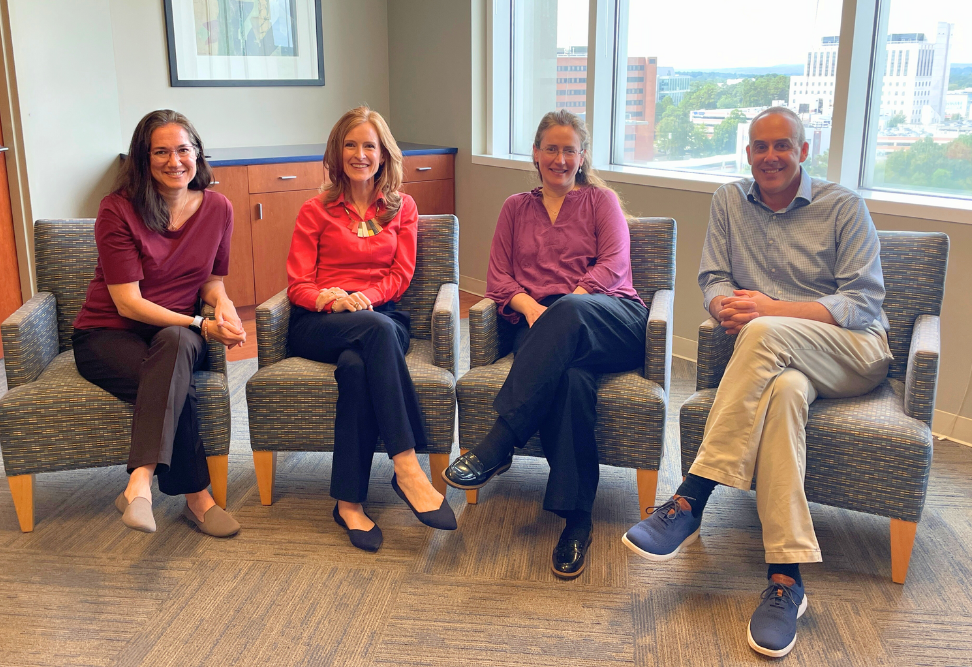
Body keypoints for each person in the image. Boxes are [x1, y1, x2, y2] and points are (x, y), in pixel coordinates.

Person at [622, 107, 892, 657]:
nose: (771, 156)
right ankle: (786, 578)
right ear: (748, 153)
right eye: (760, 146)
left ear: (803, 151)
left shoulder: (843, 206)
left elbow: (864, 303)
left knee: (767, 331)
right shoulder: (729, 200)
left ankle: (691, 496)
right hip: (783, 363)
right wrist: (724, 304)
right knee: (785, 393)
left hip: (854, 351)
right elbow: (713, 276)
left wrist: (773, 310)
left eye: (783, 146)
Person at [442, 110, 649, 579]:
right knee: (572, 381)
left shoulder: (601, 201)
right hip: (541, 324)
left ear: (582, 155)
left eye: (569, 149)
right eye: (550, 149)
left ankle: (498, 442)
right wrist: (534, 310)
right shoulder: (516, 206)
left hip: (610, 317)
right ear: (535, 154)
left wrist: (561, 308)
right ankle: (577, 521)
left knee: (571, 314)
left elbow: (614, 266)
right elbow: (498, 277)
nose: (559, 158)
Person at [285, 106, 457, 553]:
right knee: (371, 334)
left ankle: (348, 503)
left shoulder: (403, 208)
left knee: (359, 366)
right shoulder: (314, 210)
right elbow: (298, 284)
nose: (359, 154)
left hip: (382, 318)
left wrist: (366, 299)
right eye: (350, 144)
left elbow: (401, 275)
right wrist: (335, 299)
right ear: (336, 151)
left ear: (383, 155)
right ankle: (407, 467)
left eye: (369, 146)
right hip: (320, 322)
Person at [73, 109, 246, 537]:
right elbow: (128, 303)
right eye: (161, 152)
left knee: (176, 344)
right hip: (107, 335)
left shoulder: (218, 207)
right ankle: (196, 499)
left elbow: (212, 282)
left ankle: (138, 485)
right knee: (176, 376)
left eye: (183, 149)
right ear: (143, 159)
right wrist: (200, 325)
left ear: (198, 153)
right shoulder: (117, 210)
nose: (175, 161)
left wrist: (223, 306)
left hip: (174, 334)